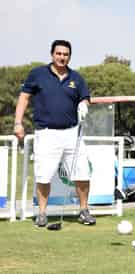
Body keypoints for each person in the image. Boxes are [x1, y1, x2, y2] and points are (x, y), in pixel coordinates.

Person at [14, 40, 96, 227]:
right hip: (47, 133)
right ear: (52, 54)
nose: (62, 57)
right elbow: (24, 97)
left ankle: (84, 211)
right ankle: (42, 213)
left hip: (72, 133)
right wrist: (18, 122)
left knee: (83, 173)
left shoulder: (77, 77)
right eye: (59, 53)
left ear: (69, 56)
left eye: (65, 54)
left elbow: (85, 98)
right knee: (43, 175)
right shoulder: (38, 74)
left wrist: (84, 104)